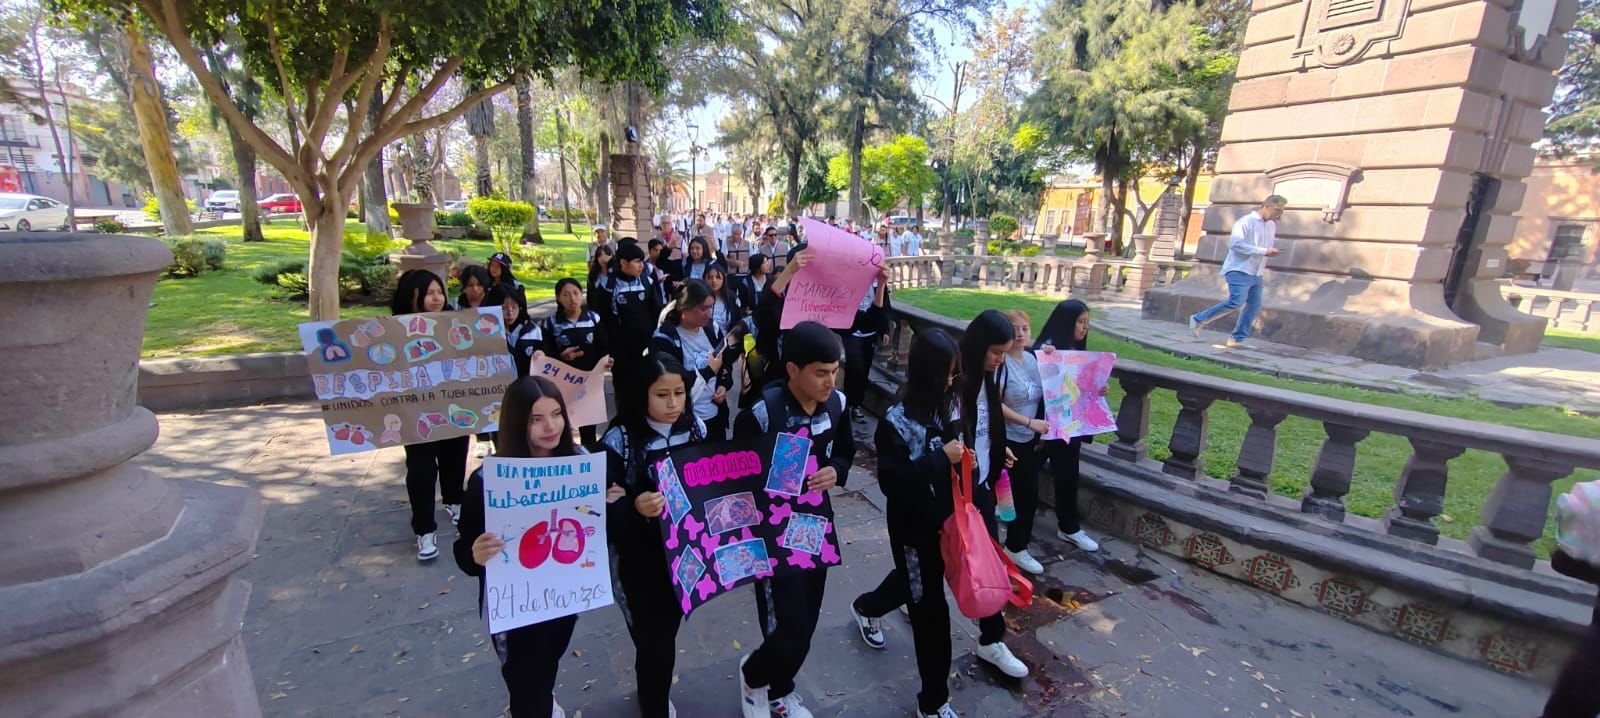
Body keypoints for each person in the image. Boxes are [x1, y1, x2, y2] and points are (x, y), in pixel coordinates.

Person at [454, 376, 621, 718]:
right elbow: (464, 551)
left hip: (563, 597)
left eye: (557, 414)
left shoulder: (583, 462)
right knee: (524, 681)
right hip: (513, 608)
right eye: (536, 418)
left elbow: (602, 524)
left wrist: (610, 504)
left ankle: (543, 696)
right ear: (517, 422)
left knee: (546, 662)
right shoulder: (487, 481)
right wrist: (476, 554)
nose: (551, 426)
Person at [735, 321, 855, 718]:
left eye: (833, 371)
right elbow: (733, 475)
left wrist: (836, 471)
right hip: (768, 534)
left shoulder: (837, 404)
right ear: (792, 370)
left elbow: (845, 451)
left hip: (813, 528)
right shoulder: (761, 414)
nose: (829, 381)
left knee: (805, 624)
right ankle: (754, 678)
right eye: (820, 372)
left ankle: (780, 691)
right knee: (785, 626)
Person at [850, 329, 965, 718]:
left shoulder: (947, 406)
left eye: (954, 375)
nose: (951, 382)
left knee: (915, 581)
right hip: (914, 531)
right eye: (946, 374)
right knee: (931, 614)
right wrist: (940, 460)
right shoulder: (896, 422)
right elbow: (893, 484)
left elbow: (957, 452)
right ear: (928, 372)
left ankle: (867, 606)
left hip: (946, 525)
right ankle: (933, 703)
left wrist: (966, 463)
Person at [601, 353, 705, 718]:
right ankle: (655, 702)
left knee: (664, 634)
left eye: (679, 393)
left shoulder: (695, 429)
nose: (673, 403)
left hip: (683, 558)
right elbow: (600, 506)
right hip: (637, 561)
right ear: (642, 394)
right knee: (654, 641)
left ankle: (652, 686)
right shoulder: (619, 440)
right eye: (662, 395)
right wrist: (633, 506)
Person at [956, 309, 1031, 679]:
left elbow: (987, 425)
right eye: (996, 352)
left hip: (982, 488)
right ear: (978, 346)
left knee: (991, 564)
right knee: (934, 566)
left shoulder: (989, 377)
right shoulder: (956, 381)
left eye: (1004, 352)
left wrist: (998, 449)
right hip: (953, 494)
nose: (1001, 359)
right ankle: (873, 606)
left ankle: (991, 640)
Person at [391, 269, 469, 559]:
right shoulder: (392, 328)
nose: (437, 298)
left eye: (440, 292)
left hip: (453, 407)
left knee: (455, 455)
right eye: (429, 293)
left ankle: (455, 502)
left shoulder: (457, 323)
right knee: (422, 470)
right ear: (413, 295)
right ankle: (424, 529)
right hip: (415, 412)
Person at [1032, 299, 1102, 553]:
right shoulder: (1045, 350)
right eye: (1080, 322)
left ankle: (1069, 527)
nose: (1084, 328)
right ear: (1066, 322)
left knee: (1068, 476)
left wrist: (1096, 387)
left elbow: (1078, 389)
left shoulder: (1078, 352)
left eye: (1087, 322)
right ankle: (1009, 516)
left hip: (1069, 426)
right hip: (1042, 425)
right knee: (1025, 472)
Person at [1188, 195, 1286, 349]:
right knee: (1236, 301)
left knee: (1254, 305)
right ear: (1266, 206)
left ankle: (1236, 339)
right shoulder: (1246, 222)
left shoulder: (1271, 225)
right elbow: (1236, 245)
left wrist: (1269, 252)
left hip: (1256, 273)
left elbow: (1263, 249)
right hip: (1239, 268)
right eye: (1277, 210)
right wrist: (1265, 251)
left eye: (1281, 211)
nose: (1279, 214)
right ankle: (1199, 319)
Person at [651, 279, 738, 439]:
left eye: (710, 307)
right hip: (682, 424)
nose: (709, 313)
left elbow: (724, 361)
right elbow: (668, 383)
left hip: (714, 416)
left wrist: (723, 386)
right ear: (685, 307)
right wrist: (708, 372)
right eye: (703, 308)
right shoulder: (665, 338)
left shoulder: (713, 328)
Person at [997, 310, 1049, 575]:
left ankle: (1016, 547)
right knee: (1008, 497)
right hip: (1006, 439)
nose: (1020, 334)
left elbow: (1054, 389)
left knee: (1027, 495)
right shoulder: (1000, 362)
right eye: (1014, 328)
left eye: (1025, 328)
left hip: (1030, 440)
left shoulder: (1032, 360)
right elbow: (993, 403)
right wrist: (1028, 423)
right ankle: (1006, 548)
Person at [593, 242, 666, 412]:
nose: (641, 265)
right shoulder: (608, 286)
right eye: (636, 261)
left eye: (642, 261)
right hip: (620, 349)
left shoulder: (647, 281)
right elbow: (601, 319)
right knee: (624, 389)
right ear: (623, 263)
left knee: (647, 384)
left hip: (646, 346)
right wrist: (606, 349)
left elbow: (657, 312)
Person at [542, 277, 612, 445]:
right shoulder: (550, 324)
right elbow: (546, 354)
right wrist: (561, 357)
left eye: (575, 293)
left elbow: (604, 345)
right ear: (558, 298)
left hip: (589, 381)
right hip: (563, 382)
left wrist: (606, 360)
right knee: (563, 423)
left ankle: (588, 456)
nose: (572, 298)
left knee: (588, 427)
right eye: (566, 294)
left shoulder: (593, 318)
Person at [841, 268, 891, 422]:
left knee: (864, 369)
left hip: (870, 333)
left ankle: (856, 405)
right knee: (854, 366)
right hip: (852, 331)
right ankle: (848, 402)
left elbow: (884, 307)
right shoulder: (850, 280)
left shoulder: (878, 284)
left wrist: (884, 330)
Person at [493, 282, 540, 377]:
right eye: (504, 308)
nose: (510, 313)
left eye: (514, 307)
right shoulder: (484, 333)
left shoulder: (533, 330)